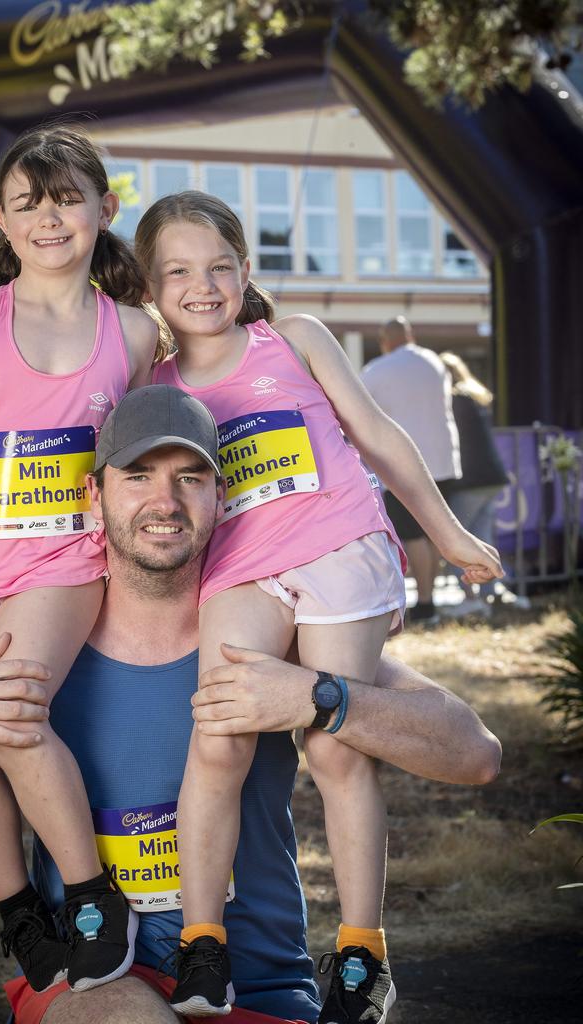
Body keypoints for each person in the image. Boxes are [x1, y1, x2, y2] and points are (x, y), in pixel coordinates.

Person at [0, 384, 503, 1024]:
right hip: (94, 985)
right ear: (94, 498)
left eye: (191, 478)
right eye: (138, 476)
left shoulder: (271, 634)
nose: (164, 502)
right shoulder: (36, 648)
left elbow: (475, 754)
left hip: (260, 990)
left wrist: (320, 698)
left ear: (221, 496)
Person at [137, 194, 502, 1023]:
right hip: (242, 565)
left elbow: (376, 432)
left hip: (340, 545)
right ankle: (205, 943)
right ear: (152, 286)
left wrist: (444, 534)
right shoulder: (156, 381)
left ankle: (363, 955)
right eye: (180, 271)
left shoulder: (291, 338)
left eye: (221, 266)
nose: (203, 285)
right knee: (218, 731)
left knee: (337, 747)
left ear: (245, 270)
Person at [0, 123, 159, 993]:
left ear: (104, 207)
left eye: (66, 199)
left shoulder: (133, 332)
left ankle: (94, 896)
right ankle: (19, 910)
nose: (49, 218)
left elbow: (156, 446)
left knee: (9, 711)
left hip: (63, 561)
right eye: (29, 203)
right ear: (2, 221)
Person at [362, 316, 462, 626]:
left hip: (403, 464)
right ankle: (428, 601)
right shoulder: (434, 362)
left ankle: (426, 602)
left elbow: (359, 413)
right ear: (410, 335)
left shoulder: (377, 370)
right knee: (433, 534)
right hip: (443, 460)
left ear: (384, 340)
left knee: (413, 535)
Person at [439, 353, 528, 615]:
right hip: (491, 476)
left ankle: (470, 597)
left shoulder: (450, 401)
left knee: (455, 539)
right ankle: (493, 592)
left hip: (470, 479)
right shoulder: (474, 397)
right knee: (483, 536)